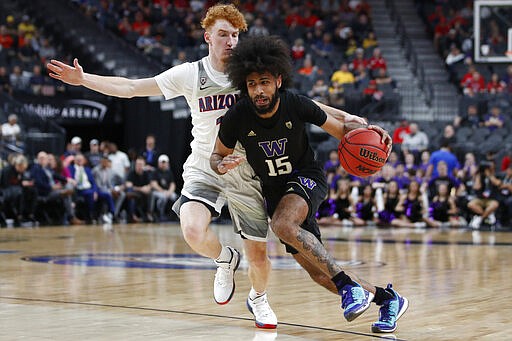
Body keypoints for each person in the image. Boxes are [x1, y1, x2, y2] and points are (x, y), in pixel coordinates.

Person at [47, 3, 368, 330]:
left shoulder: (248, 75)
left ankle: (258, 298)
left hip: (248, 170)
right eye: (223, 35)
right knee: (192, 230)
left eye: (236, 35)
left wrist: (345, 118)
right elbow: (132, 88)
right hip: (206, 163)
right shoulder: (190, 74)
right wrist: (84, 79)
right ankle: (224, 258)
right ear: (207, 37)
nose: (231, 41)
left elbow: (297, 102)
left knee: (258, 255)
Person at [210, 35, 407, 333]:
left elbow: (342, 129)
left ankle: (347, 286)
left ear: (278, 80)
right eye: (251, 84)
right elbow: (216, 154)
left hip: (306, 178)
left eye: (264, 82)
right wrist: (219, 165)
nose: (258, 90)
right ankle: (388, 298)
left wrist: (369, 132)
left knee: (282, 225)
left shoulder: (295, 104)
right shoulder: (237, 116)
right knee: (318, 273)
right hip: (275, 193)